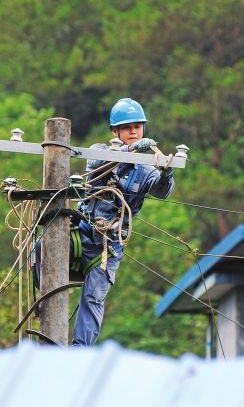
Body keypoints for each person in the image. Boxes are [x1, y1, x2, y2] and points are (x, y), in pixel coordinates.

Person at [72, 97, 174, 346]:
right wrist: (131, 151)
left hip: (109, 246)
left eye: (137, 127)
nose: (133, 132)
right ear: (114, 131)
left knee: (94, 298)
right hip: (82, 232)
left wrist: (165, 172)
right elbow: (97, 163)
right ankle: (45, 310)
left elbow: (161, 191)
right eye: (127, 127)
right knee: (45, 248)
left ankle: (78, 353)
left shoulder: (146, 169)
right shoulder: (100, 152)